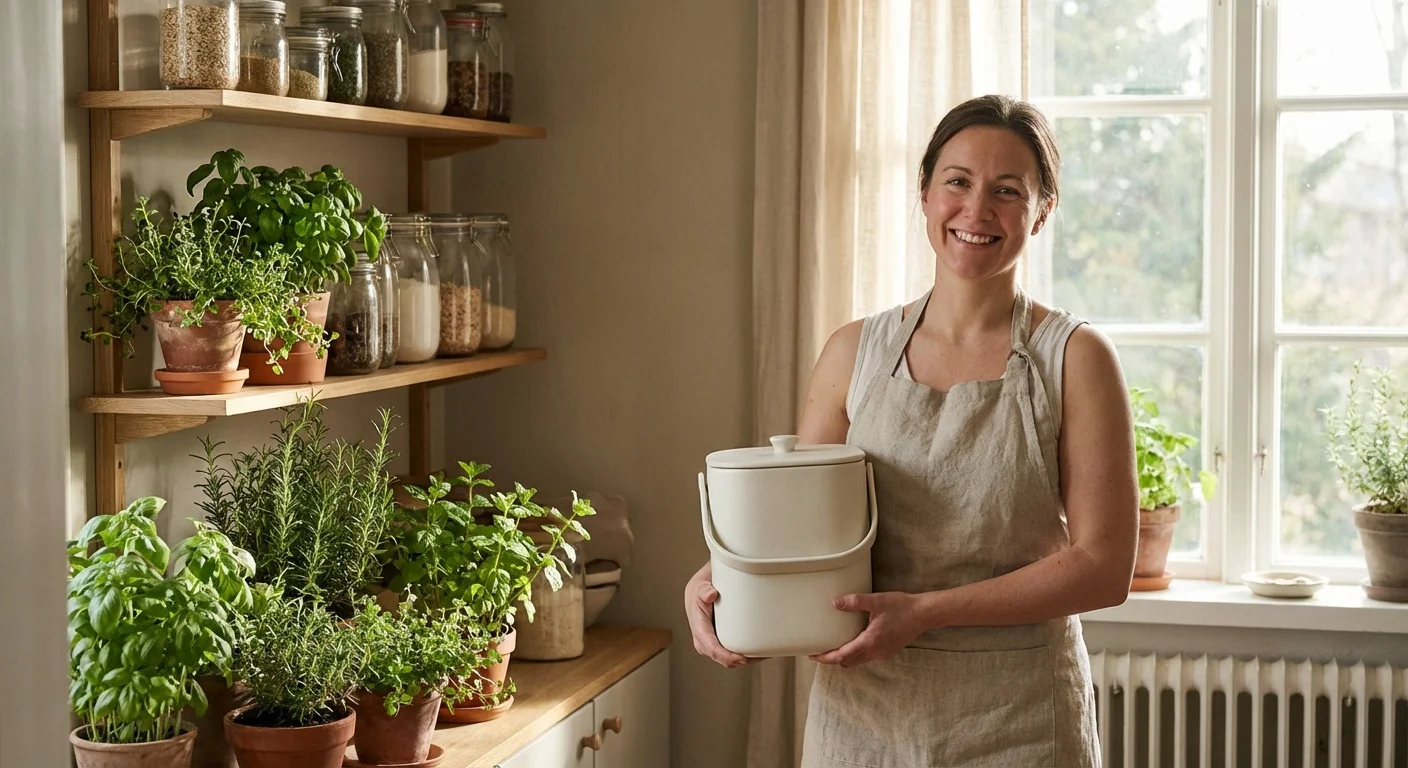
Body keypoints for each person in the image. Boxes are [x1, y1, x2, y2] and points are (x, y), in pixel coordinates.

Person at [684, 93, 1138, 767]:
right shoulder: (852, 352)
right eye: (957, 181)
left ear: (1042, 212)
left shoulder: (1074, 358)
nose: (977, 210)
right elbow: (795, 527)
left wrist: (926, 612)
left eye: (1007, 191)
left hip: (1021, 718)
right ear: (924, 193)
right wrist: (716, 577)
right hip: (863, 714)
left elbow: (1104, 570)